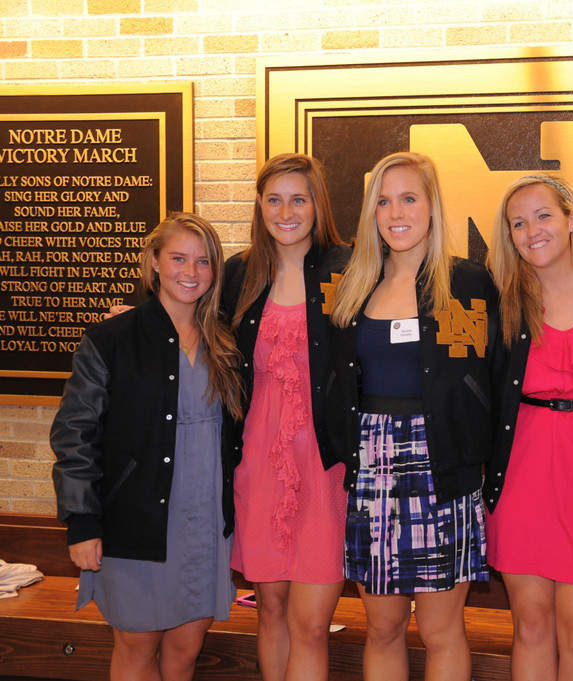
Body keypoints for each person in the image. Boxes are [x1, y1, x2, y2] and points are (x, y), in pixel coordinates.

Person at [51, 213, 244, 681]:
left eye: (203, 261)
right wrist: (82, 523)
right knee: (137, 648)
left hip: (207, 525)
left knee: (186, 649)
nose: (190, 272)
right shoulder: (111, 338)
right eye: (178, 258)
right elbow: (75, 435)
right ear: (154, 262)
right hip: (137, 520)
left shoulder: (228, 343)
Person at [328, 151, 495, 681]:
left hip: (442, 464)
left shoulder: (467, 284)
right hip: (371, 467)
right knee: (383, 629)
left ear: (431, 206)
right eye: (383, 201)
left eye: (408, 198)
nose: (396, 212)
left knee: (442, 631)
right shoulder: (350, 285)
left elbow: (491, 374)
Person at [484, 173, 573, 680]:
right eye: (518, 223)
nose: (532, 231)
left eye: (543, 216)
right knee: (529, 625)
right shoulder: (502, 299)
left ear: (571, 219)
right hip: (522, 468)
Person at [225, 153, 351, 681]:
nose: (286, 211)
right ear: (259, 205)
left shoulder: (351, 267)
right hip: (257, 464)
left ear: (317, 203)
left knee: (312, 623)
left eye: (298, 198)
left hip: (326, 469)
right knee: (270, 609)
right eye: (273, 199)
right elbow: (180, 319)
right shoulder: (237, 273)